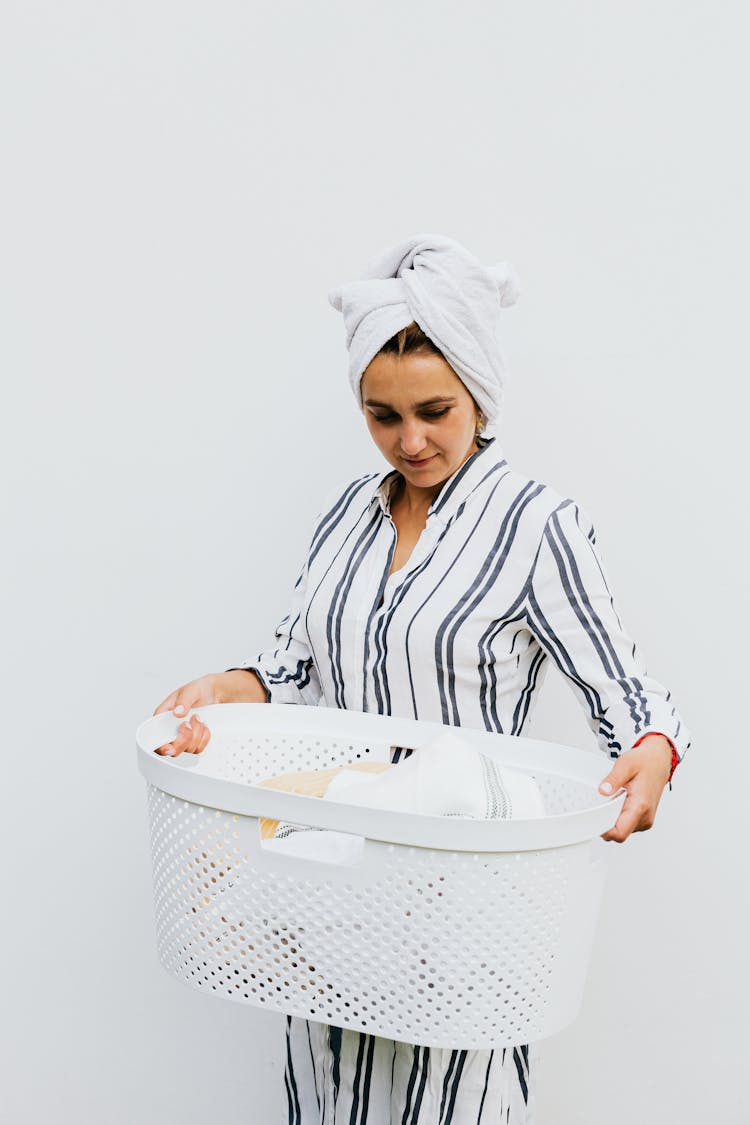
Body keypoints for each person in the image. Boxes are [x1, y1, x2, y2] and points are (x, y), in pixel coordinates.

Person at [153, 233, 690, 1124]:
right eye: (382, 415)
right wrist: (228, 687)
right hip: (329, 892)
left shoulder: (534, 525)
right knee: (329, 1100)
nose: (410, 440)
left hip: (463, 904)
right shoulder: (346, 521)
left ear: (479, 391)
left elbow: (626, 691)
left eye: (435, 410)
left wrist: (654, 750)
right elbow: (292, 671)